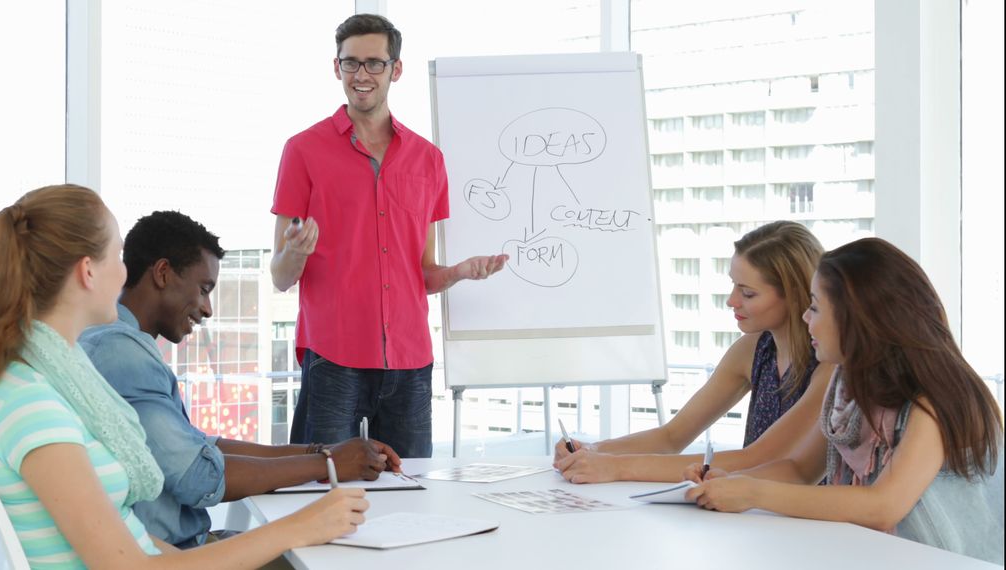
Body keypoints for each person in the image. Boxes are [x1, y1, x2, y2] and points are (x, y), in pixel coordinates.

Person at [0, 185, 368, 569]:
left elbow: (140, 550)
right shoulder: (35, 407)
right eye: (117, 256)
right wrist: (302, 526)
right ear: (88, 271)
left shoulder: (54, 387)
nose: (125, 272)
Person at [78, 210, 400, 549]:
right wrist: (329, 463)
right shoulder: (120, 354)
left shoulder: (120, 342)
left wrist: (322, 451)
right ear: (162, 273)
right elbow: (198, 476)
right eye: (203, 289)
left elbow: (199, 447)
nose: (207, 309)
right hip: (182, 553)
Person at [270, 14, 508, 458]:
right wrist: (294, 253)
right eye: (350, 63)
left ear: (395, 70)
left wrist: (457, 273)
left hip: (410, 363)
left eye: (374, 63)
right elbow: (280, 277)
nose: (361, 75)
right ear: (336, 68)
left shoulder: (428, 160)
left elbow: (423, 273)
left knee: (413, 492)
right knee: (319, 488)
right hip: (333, 358)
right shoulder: (302, 150)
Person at [687, 238, 1003, 564]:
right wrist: (734, 483)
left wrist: (753, 494)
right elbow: (799, 469)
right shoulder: (848, 382)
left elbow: (883, 507)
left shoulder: (933, 399)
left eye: (815, 307)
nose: (806, 318)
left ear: (858, 317)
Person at [555, 221, 835, 483]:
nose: (731, 301)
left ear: (796, 294)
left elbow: (758, 458)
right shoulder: (753, 349)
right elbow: (672, 436)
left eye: (748, 293)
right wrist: (591, 451)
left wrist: (615, 467)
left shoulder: (830, 365)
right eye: (733, 285)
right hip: (757, 515)